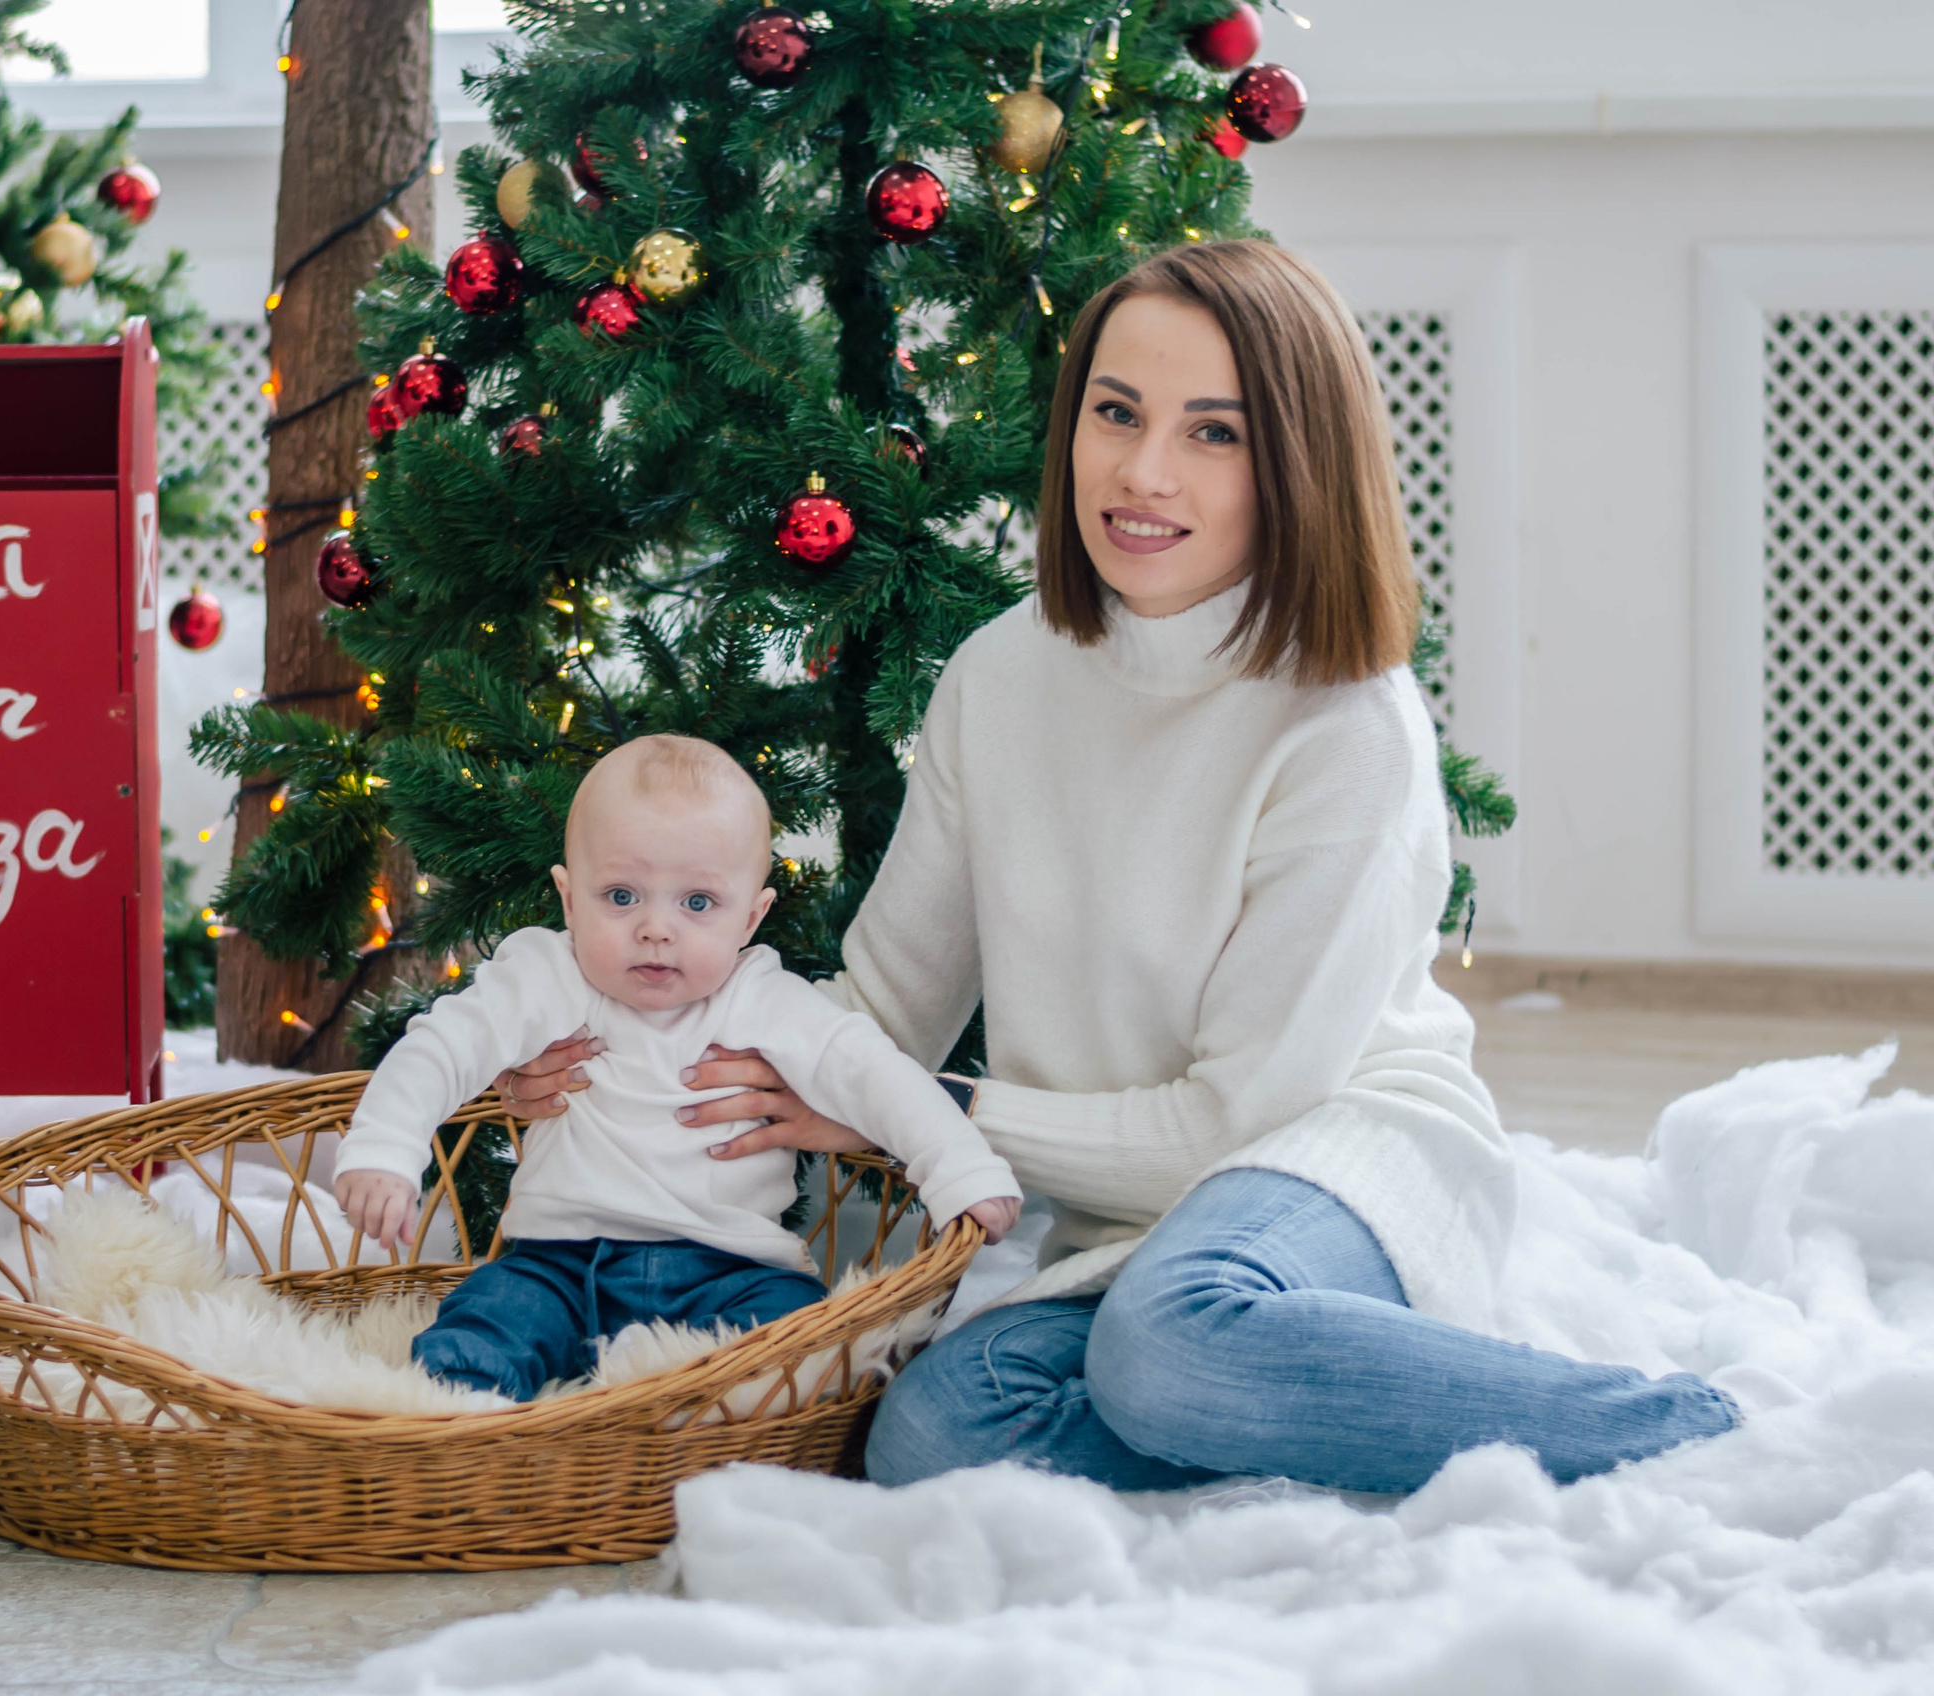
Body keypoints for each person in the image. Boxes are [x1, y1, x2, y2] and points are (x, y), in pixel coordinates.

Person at [488, 241, 1741, 1491]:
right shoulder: (999, 676)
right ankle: (1277, 1395)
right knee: (936, 1430)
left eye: (1214, 433)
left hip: (1328, 1162)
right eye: (1117, 413)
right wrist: (617, 1052)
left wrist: (927, 1110)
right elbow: (881, 1010)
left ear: (1295, 461)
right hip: (1126, 1227)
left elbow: (1233, 1120)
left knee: (1166, 1343)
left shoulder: (1349, 726)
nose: (1142, 473)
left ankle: (1667, 1425)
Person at [332, 733, 1021, 1403]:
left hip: (728, 1267)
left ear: (750, 917)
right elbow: (447, 1043)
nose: (656, 929)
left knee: (799, 1341)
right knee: (488, 1322)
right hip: (559, 1263)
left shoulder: (761, 997)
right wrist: (387, 1147)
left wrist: (958, 1168)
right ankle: (467, 1428)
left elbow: (872, 1072)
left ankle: (708, 1422)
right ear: (569, 899)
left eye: (697, 903)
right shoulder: (549, 974)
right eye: (621, 896)